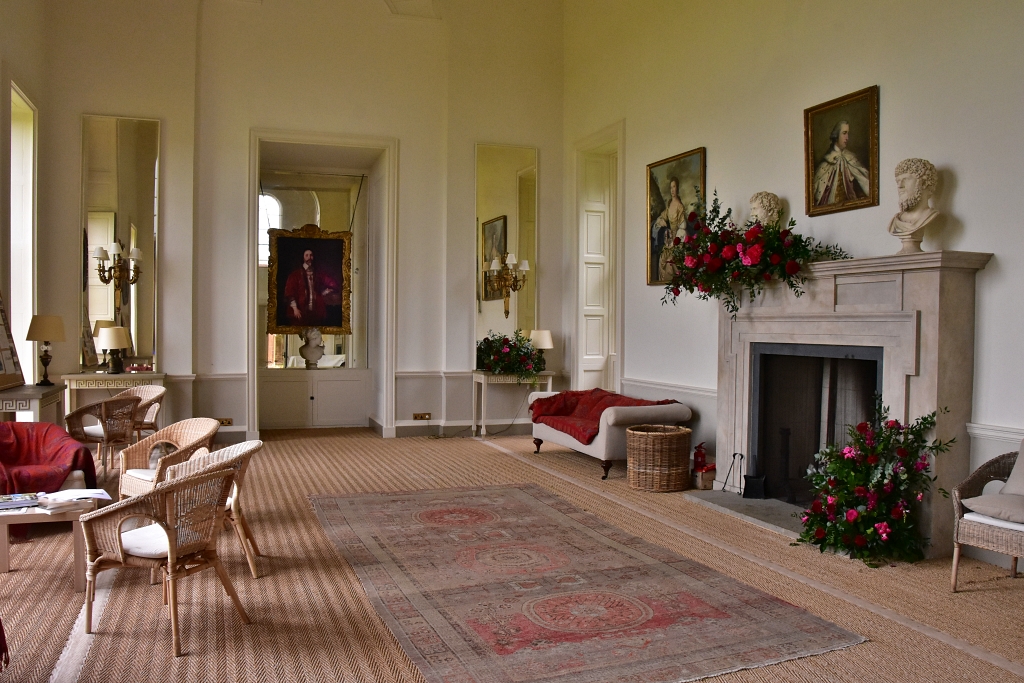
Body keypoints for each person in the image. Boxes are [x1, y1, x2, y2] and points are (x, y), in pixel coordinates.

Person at [812, 120, 871, 206]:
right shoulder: (826, 163)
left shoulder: (851, 158)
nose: (847, 138)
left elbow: (865, 186)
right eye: (844, 133)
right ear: (836, 135)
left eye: (848, 133)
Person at [887, 158, 939, 251]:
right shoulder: (895, 221)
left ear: (923, 183)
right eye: (897, 181)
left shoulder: (929, 216)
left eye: (905, 179)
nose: (900, 186)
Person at [283, 248, 338, 326]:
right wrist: (295, 309)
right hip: (300, 311)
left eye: (311, 255)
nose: (309, 257)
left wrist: (325, 291)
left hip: (315, 312)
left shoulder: (318, 274)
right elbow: (290, 293)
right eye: (307, 255)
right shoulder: (295, 275)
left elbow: (332, 282)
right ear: (303, 257)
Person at [652, 177, 688, 281]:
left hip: (678, 241)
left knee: (670, 262)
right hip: (669, 241)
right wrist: (661, 221)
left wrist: (675, 240)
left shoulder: (680, 206)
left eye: (674, 187)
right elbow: (663, 216)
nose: (672, 190)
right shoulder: (669, 205)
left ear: (677, 188)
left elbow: (683, 226)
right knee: (661, 260)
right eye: (671, 187)